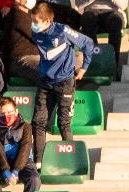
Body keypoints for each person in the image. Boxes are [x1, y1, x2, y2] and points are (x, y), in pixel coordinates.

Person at [30, 1, 93, 165]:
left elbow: (87, 43)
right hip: (45, 82)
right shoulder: (36, 33)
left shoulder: (63, 31)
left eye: (36, 22)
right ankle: (39, 162)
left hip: (64, 82)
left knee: (63, 122)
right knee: (38, 122)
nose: (33, 25)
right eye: (32, 21)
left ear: (47, 21)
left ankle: (70, 161)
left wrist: (84, 68)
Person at [75, 0, 128, 80]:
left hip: (113, 12)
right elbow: (78, 4)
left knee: (115, 22)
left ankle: (112, 66)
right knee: (87, 19)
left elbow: (123, 6)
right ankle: (95, 62)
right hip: (91, 11)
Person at [1, 0, 41, 84]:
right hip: (20, 59)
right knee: (47, 73)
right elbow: (40, 36)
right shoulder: (17, 14)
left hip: (35, 57)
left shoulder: (29, 14)